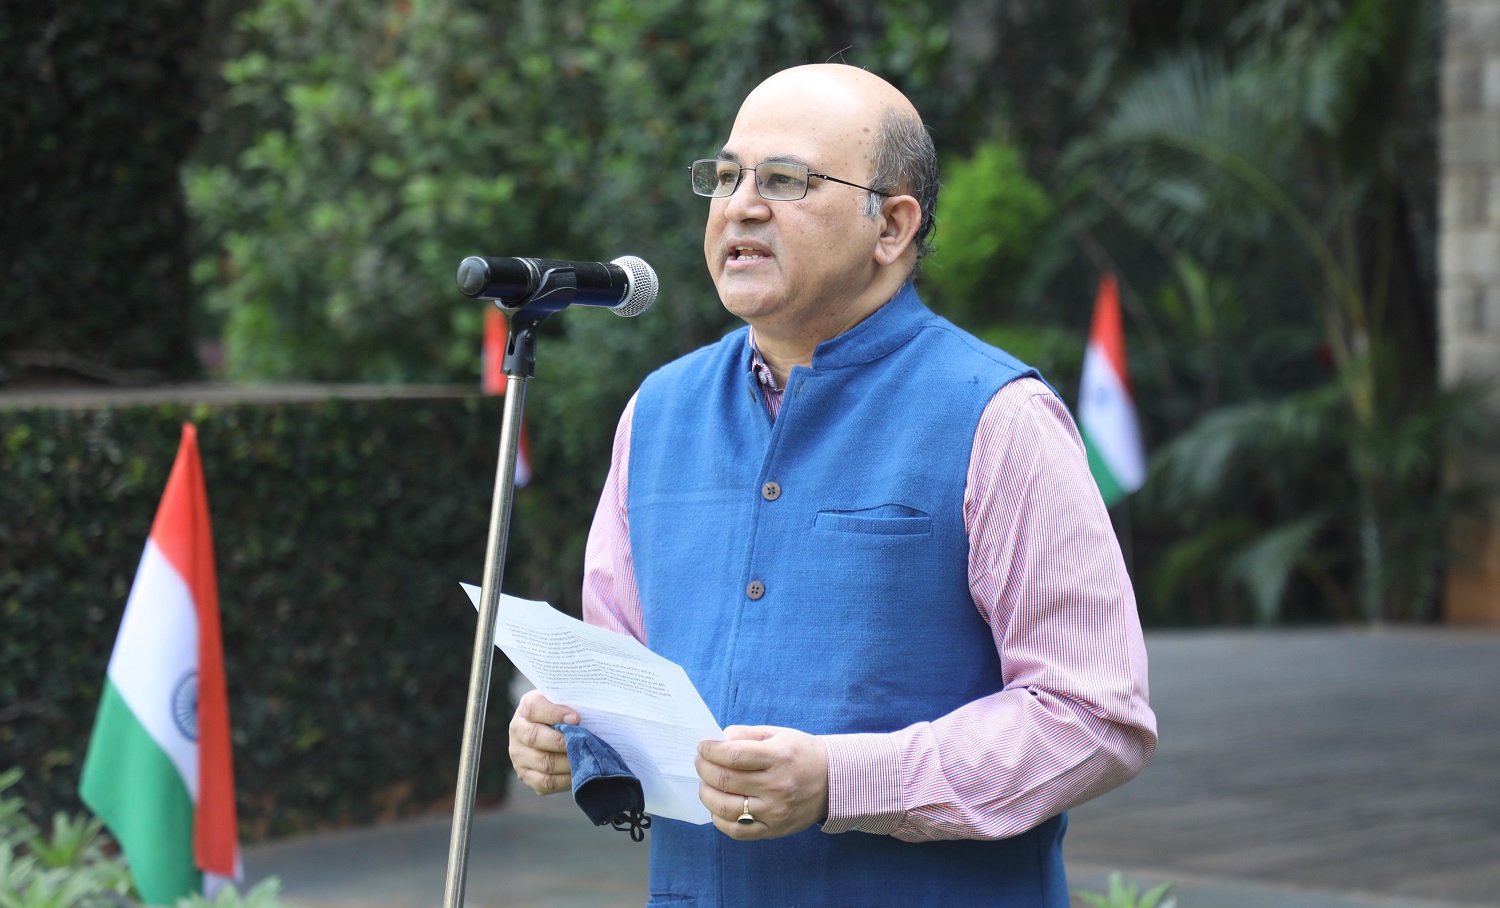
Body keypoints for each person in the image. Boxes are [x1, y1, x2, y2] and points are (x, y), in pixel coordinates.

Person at [508, 63, 1157, 906]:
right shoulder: (658, 412)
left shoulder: (997, 417)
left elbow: (1093, 714)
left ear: (891, 225)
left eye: (785, 180)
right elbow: (624, 672)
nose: (741, 204)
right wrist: (576, 732)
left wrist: (841, 781)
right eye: (727, 175)